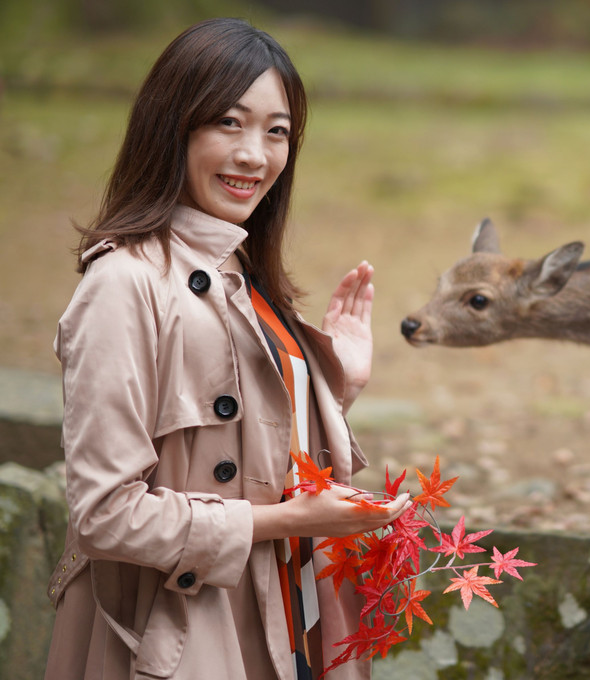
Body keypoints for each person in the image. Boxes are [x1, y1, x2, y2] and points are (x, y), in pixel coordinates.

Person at [43, 17, 411, 680]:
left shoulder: (247, 274)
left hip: (282, 616)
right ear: (171, 127)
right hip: (178, 633)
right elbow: (104, 515)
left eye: (277, 132)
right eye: (228, 123)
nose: (254, 155)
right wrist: (284, 520)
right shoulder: (124, 284)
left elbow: (239, 443)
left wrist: (330, 386)